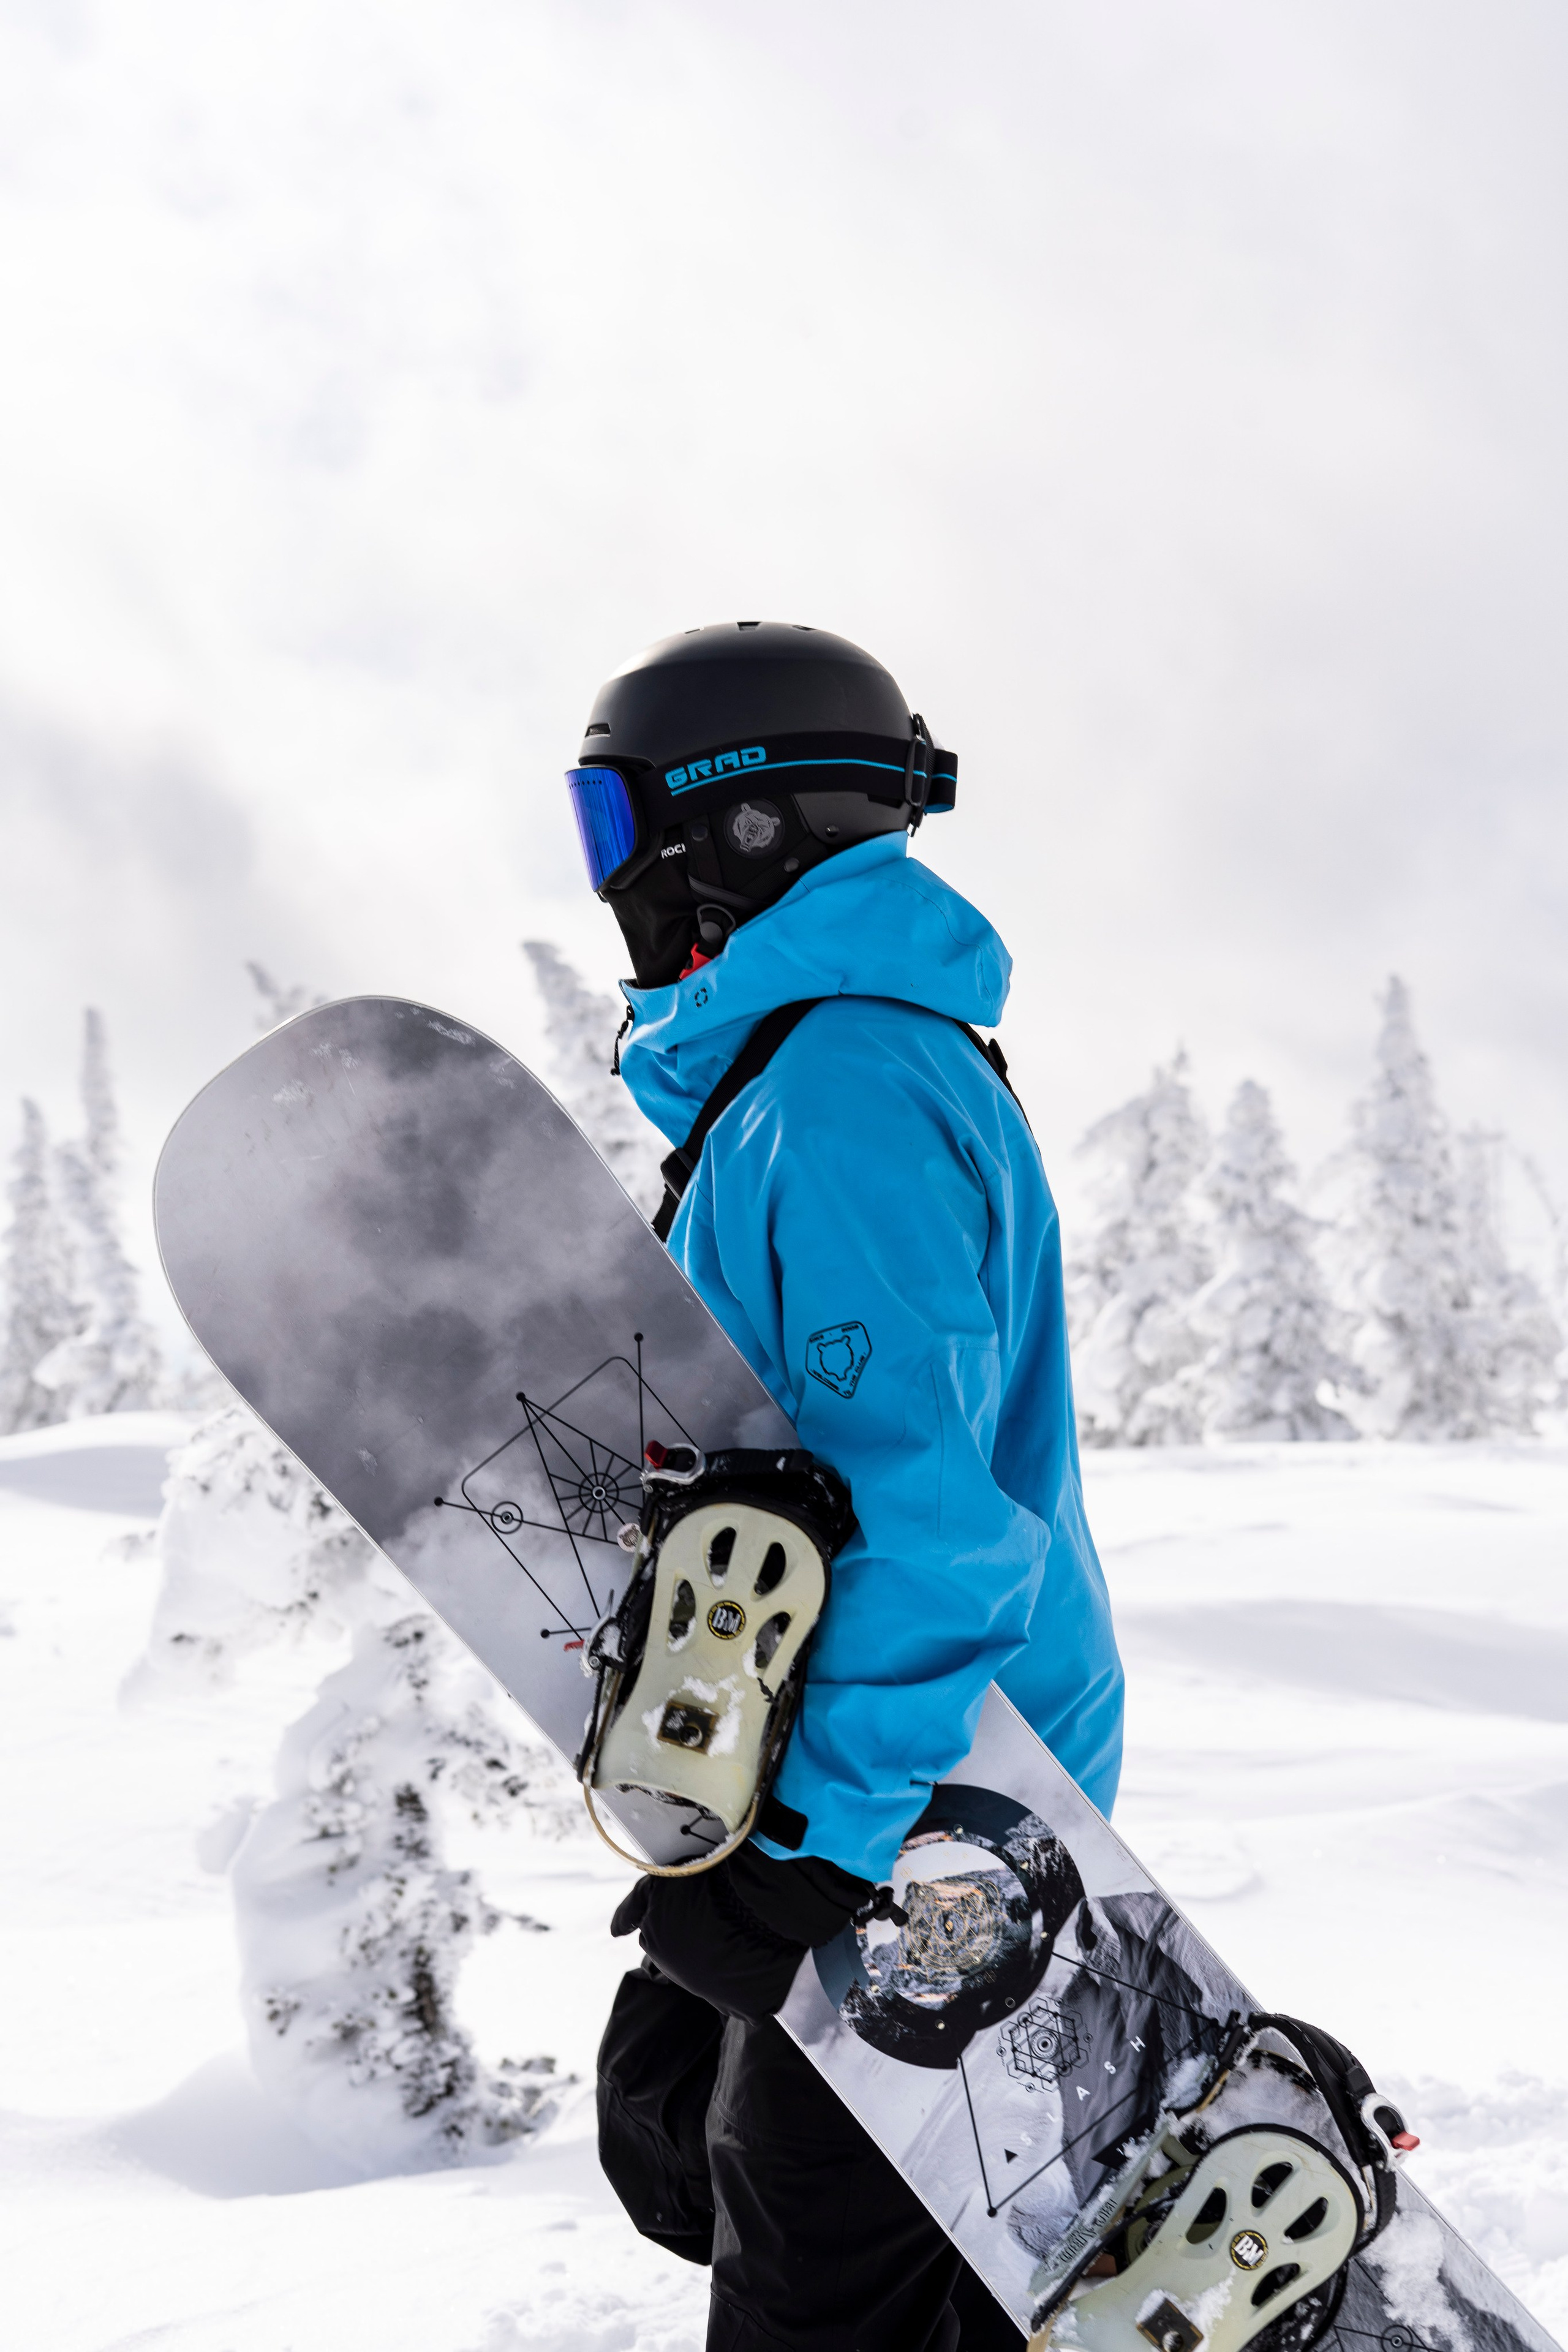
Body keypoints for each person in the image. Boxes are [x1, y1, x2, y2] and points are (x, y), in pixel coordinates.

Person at [565, 621, 1124, 2352]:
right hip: (884, 1772)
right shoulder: (796, 1081)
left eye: (613, 823)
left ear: (737, 829)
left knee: (827, 2262)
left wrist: (808, 1852)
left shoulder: (846, 1088)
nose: (607, 879)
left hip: (939, 1787)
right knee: (701, 2158)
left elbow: (931, 1521)